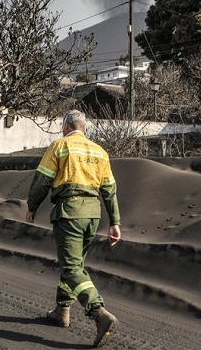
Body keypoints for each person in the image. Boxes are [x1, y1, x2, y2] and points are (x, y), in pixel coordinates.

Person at [25, 109, 121, 348]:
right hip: (93, 214)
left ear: (67, 126)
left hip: (69, 212)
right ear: (84, 128)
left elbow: (42, 179)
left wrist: (32, 206)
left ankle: (98, 312)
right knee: (76, 265)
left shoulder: (60, 146)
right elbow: (109, 190)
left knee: (69, 267)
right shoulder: (100, 152)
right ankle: (62, 311)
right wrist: (115, 222)